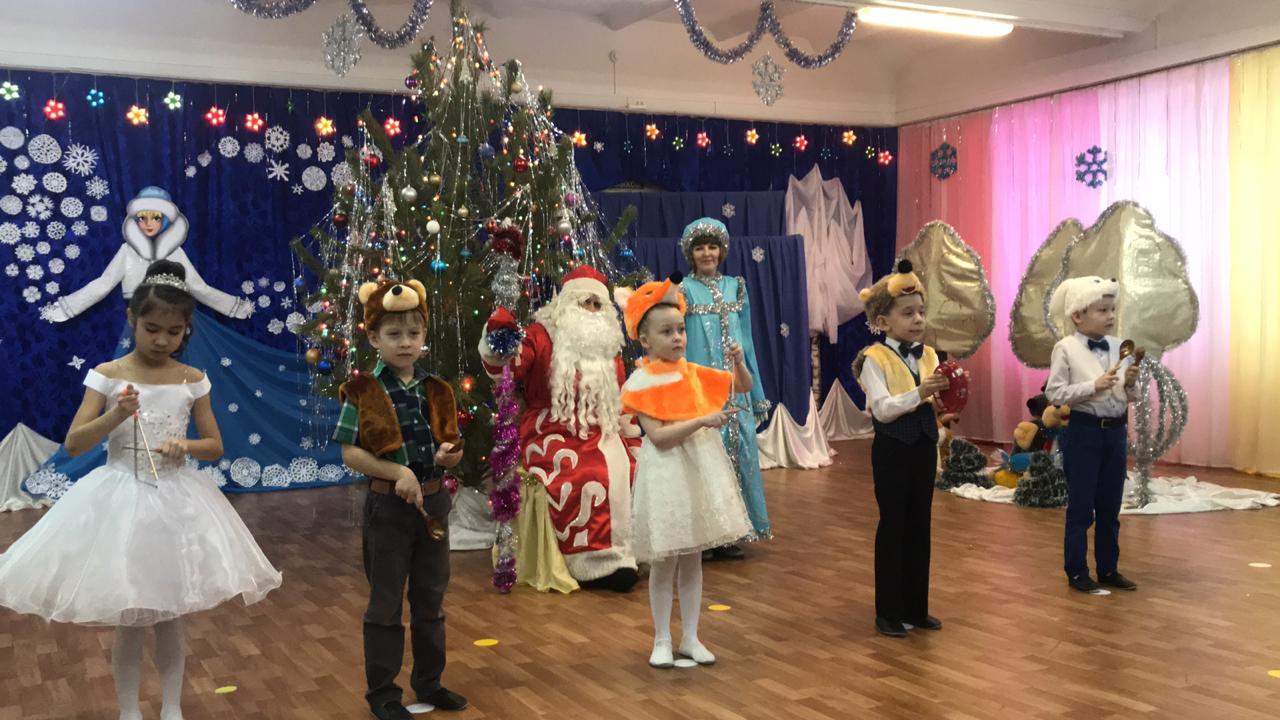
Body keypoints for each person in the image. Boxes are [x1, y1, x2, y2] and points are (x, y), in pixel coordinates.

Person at [0, 260, 281, 720]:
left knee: (170, 615)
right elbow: (74, 444)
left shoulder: (193, 379)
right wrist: (116, 413)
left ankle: (172, 708)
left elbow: (214, 445)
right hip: (121, 499)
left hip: (176, 503)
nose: (163, 340)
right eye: (152, 329)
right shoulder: (107, 373)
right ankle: (128, 711)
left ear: (186, 329)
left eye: (174, 332)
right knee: (130, 617)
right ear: (132, 318)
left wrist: (185, 445)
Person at [333, 278, 468, 720]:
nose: (405, 342)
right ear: (374, 338)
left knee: (431, 600)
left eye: (413, 333)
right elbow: (350, 452)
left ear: (424, 334)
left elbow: (452, 445)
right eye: (394, 334)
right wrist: (398, 472)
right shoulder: (362, 391)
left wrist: (449, 456)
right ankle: (384, 694)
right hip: (388, 510)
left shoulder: (438, 388)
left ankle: (430, 682)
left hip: (434, 505)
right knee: (386, 604)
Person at [616, 273, 753, 668]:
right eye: (666, 332)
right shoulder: (642, 382)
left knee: (693, 556)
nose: (677, 337)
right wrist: (702, 421)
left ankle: (691, 637)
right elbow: (659, 437)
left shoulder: (692, 373)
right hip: (666, 472)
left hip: (699, 469)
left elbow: (742, 387)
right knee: (665, 559)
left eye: (680, 329)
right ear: (645, 339)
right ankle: (662, 638)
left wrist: (739, 362)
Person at [479, 265, 640, 592]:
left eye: (597, 304)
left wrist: (631, 432)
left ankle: (633, 552)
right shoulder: (541, 334)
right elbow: (508, 366)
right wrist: (499, 337)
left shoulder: (609, 344)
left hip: (603, 427)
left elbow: (622, 396)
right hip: (550, 427)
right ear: (566, 304)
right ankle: (593, 561)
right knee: (589, 473)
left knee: (639, 466)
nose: (591, 310)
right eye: (584, 302)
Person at [853, 260, 948, 638]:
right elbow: (883, 409)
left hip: (923, 446)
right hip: (893, 449)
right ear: (882, 321)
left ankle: (916, 607)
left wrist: (945, 402)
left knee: (920, 524)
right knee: (893, 525)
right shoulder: (872, 360)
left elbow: (934, 402)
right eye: (907, 313)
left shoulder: (930, 355)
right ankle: (889, 611)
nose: (918, 319)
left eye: (921, 312)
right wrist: (920, 393)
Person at [679, 218, 771, 559]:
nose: (707, 253)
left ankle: (732, 531)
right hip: (701, 390)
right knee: (706, 459)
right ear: (690, 253)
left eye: (713, 247)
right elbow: (680, 343)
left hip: (736, 388)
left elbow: (747, 340)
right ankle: (705, 535)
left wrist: (754, 393)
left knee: (740, 454)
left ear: (722, 251)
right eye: (700, 248)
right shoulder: (684, 290)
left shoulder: (736, 287)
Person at [1045, 276, 1140, 594]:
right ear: (1078, 315)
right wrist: (1092, 386)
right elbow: (1055, 393)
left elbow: (1130, 397)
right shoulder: (1066, 348)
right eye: (1102, 310)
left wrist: (1130, 384)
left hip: (1116, 433)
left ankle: (1108, 568)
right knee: (1082, 505)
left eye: (1112, 309)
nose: (1110, 316)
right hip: (1084, 432)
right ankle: (1076, 571)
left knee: (1111, 506)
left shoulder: (1119, 346)